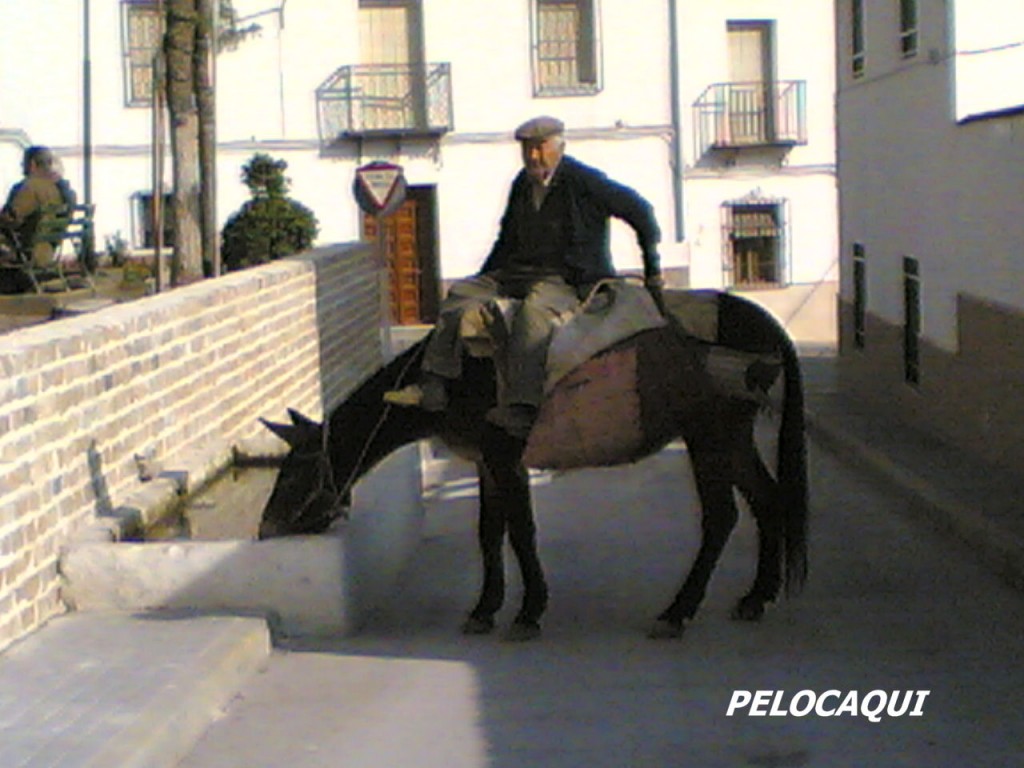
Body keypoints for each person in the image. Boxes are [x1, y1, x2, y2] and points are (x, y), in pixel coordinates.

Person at [385, 116, 663, 437]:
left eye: (540, 148)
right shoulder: (523, 183)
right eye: (528, 149)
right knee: (460, 295)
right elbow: (506, 237)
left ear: (558, 147)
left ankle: (522, 405)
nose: (533, 156)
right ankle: (433, 383)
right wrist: (486, 277)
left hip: (566, 278)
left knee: (533, 314)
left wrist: (652, 270)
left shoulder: (584, 182)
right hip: (515, 272)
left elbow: (640, 211)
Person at [0, 146, 77, 268]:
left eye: (23, 163)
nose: (21, 167)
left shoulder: (30, 187)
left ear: (32, 164)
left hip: (27, 251)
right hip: (48, 252)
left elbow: (11, 218)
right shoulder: (64, 191)